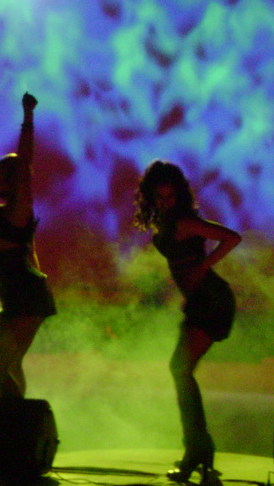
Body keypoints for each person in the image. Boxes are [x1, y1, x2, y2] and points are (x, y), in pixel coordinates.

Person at [135, 160, 240, 484]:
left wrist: (201, 268)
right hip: (199, 300)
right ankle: (198, 450)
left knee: (180, 369)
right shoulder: (166, 220)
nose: (165, 202)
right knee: (180, 371)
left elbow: (232, 238)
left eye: (170, 196)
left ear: (179, 194)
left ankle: (197, 450)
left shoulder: (184, 220)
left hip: (212, 299)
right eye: (159, 197)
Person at [0, 92, 55, 398]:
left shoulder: (20, 207)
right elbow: (29, 253)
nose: (1, 177)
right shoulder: (10, 212)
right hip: (16, 297)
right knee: (7, 365)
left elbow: (24, 163)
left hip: (25, 297)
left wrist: (28, 117)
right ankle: (19, 419)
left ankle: (17, 421)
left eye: (8, 173)